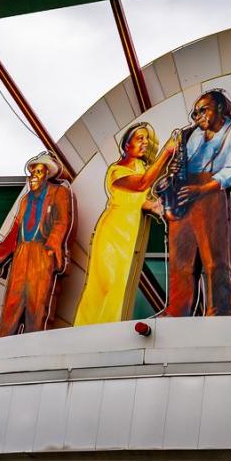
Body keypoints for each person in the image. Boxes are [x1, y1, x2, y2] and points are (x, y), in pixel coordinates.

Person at [158, 89, 231, 316]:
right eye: (194, 112)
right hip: (184, 193)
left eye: (203, 110)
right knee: (180, 260)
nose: (197, 116)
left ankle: (220, 310)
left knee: (215, 259)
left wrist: (200, 189)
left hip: (211, 193)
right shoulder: (194, 135)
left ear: (219, 107)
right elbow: (184, 164)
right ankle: (177, 310)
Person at [74, 123, 176, 325]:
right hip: (112, 230)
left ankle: (108, 327)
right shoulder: (116, 170)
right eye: (140, 138)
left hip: (129, 234)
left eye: (146, 139)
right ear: (126, 145)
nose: (145, 143)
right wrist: (166, 153)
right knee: (105, 282)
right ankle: (86, 328)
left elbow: (138, 200)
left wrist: (155, 206)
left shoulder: (141, 167)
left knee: (120, 283)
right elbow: (140, 184)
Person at [0, 152, 74, 336]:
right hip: (22, 255)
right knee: (11, 306)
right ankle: (0, 350)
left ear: (47, 174)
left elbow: (62, 221)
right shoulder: (25, 201)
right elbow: (14, 233)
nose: (33, 176)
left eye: (38, 172)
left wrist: (53, 247)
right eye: (32, 172)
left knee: (37, 307)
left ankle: (32, 349)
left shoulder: (59, 193)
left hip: (42, 253)